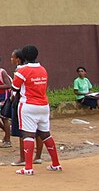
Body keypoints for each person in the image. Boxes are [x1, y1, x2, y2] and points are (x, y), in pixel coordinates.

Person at [11, 45, 62, 175]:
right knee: (45, 134)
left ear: (24, 57)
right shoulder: (43, 69)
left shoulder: (22, 71)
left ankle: (28, 167)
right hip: (43, 105)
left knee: (28, 135)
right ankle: (56, 164)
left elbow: (14, 88)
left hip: (28, 105)